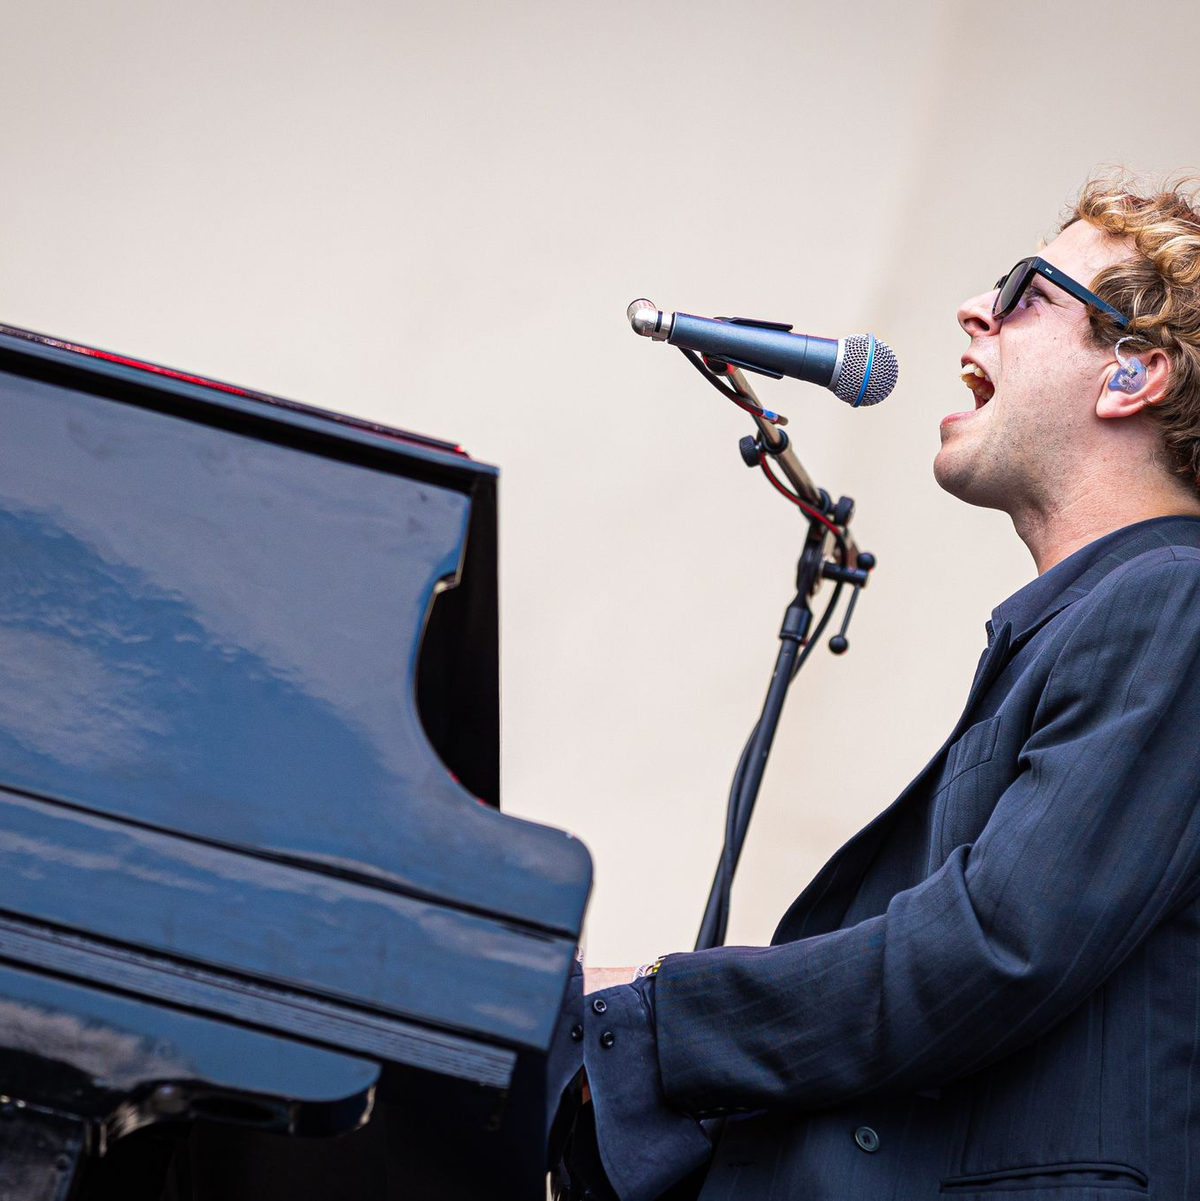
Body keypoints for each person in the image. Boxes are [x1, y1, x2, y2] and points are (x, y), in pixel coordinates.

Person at [549, 173, 1200, 1200]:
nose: (975, 310)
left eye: (1025, 291)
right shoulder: (1110, 614)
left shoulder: (1170, 600)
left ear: (1132, 375)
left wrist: (656, 1014)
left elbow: (994, 947)